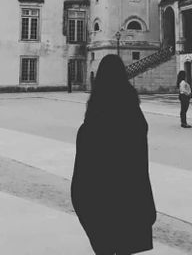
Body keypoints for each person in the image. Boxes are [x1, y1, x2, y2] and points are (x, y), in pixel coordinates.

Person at [71, 54, 156, 255]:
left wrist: (83, 205)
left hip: (100, 207)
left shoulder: (92, 123)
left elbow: (82, 177)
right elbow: (140, 167)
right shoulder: (135, 120)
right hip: (130, 204)